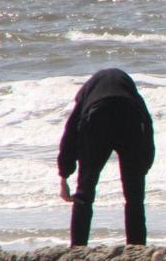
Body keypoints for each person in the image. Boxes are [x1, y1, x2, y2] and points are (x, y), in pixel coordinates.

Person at [57, 68, 155, 247]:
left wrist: (64, 174)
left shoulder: (87, 92)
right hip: (129, 116)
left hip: (97, 118)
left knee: (84, 193)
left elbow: (70, 131)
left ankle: (78, 247)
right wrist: (145, 163)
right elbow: (147, 124)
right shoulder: (130, 91)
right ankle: (137, 246)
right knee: (134, 197)